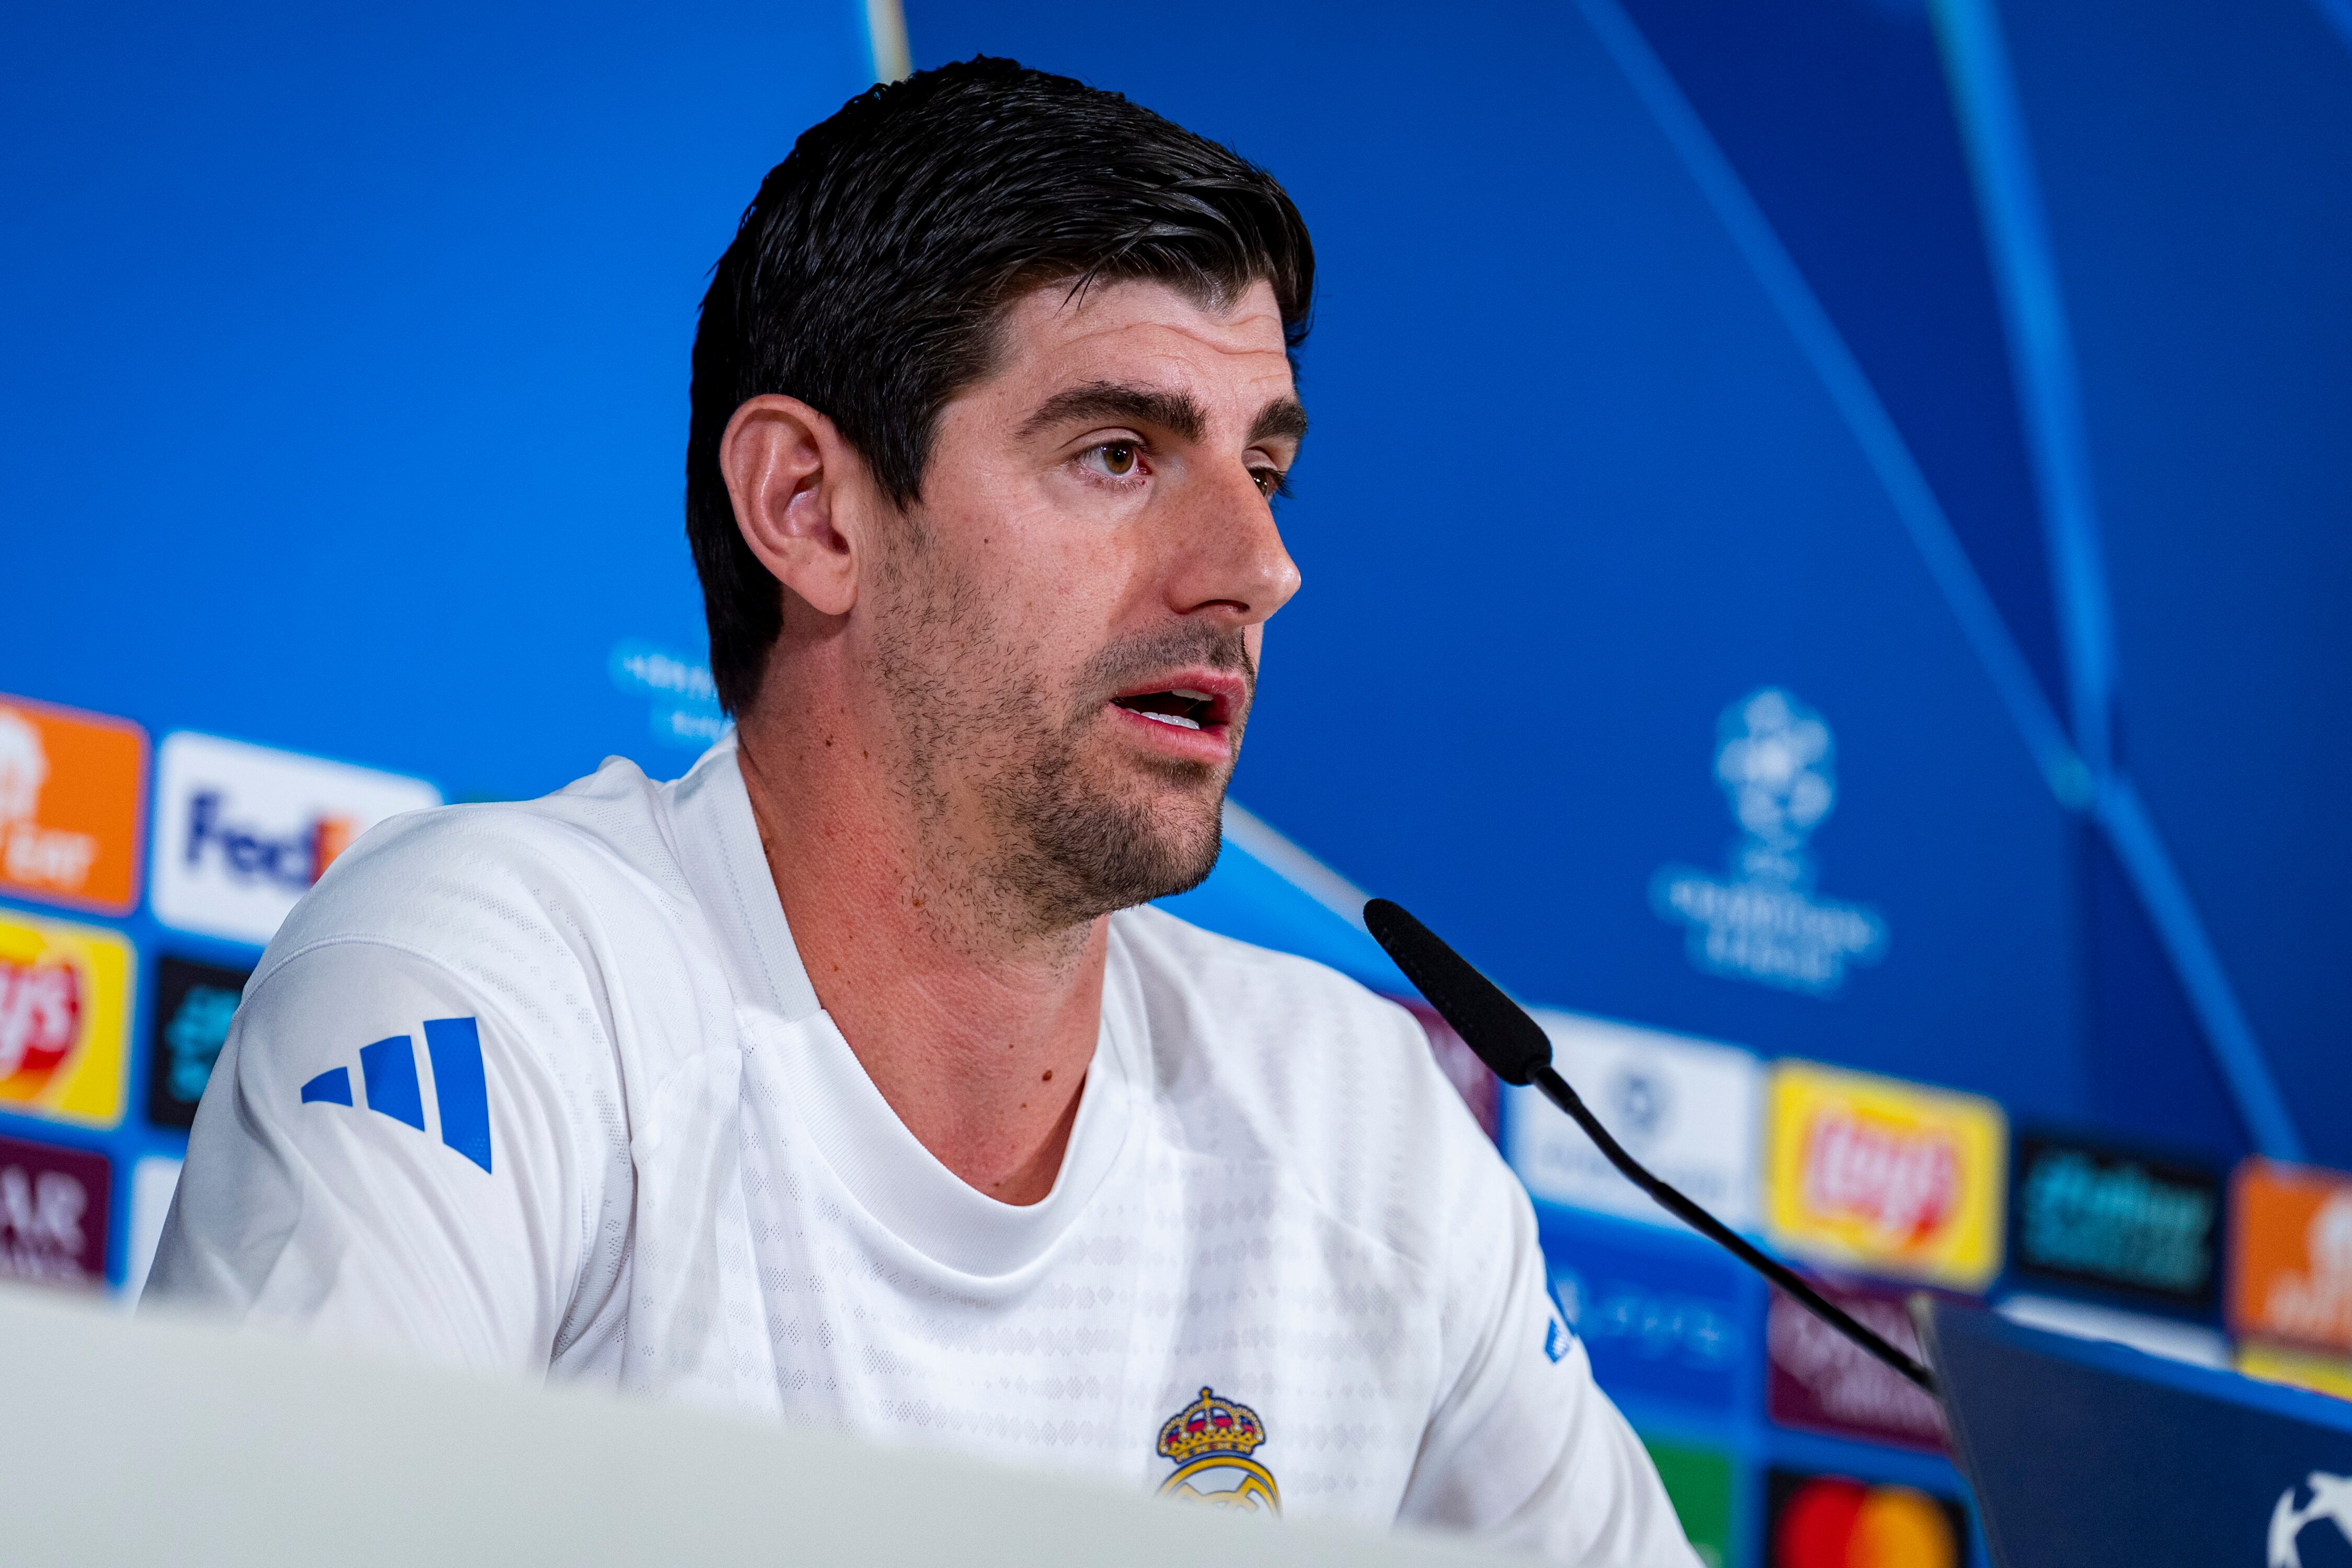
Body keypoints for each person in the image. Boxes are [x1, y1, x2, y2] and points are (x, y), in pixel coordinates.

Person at [148, 57, 1698, 1563]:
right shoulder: (500, 982)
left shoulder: (1357, 1125)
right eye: (1117, 454)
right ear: (810, 512)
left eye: (1266, 471)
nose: (1254, 569)